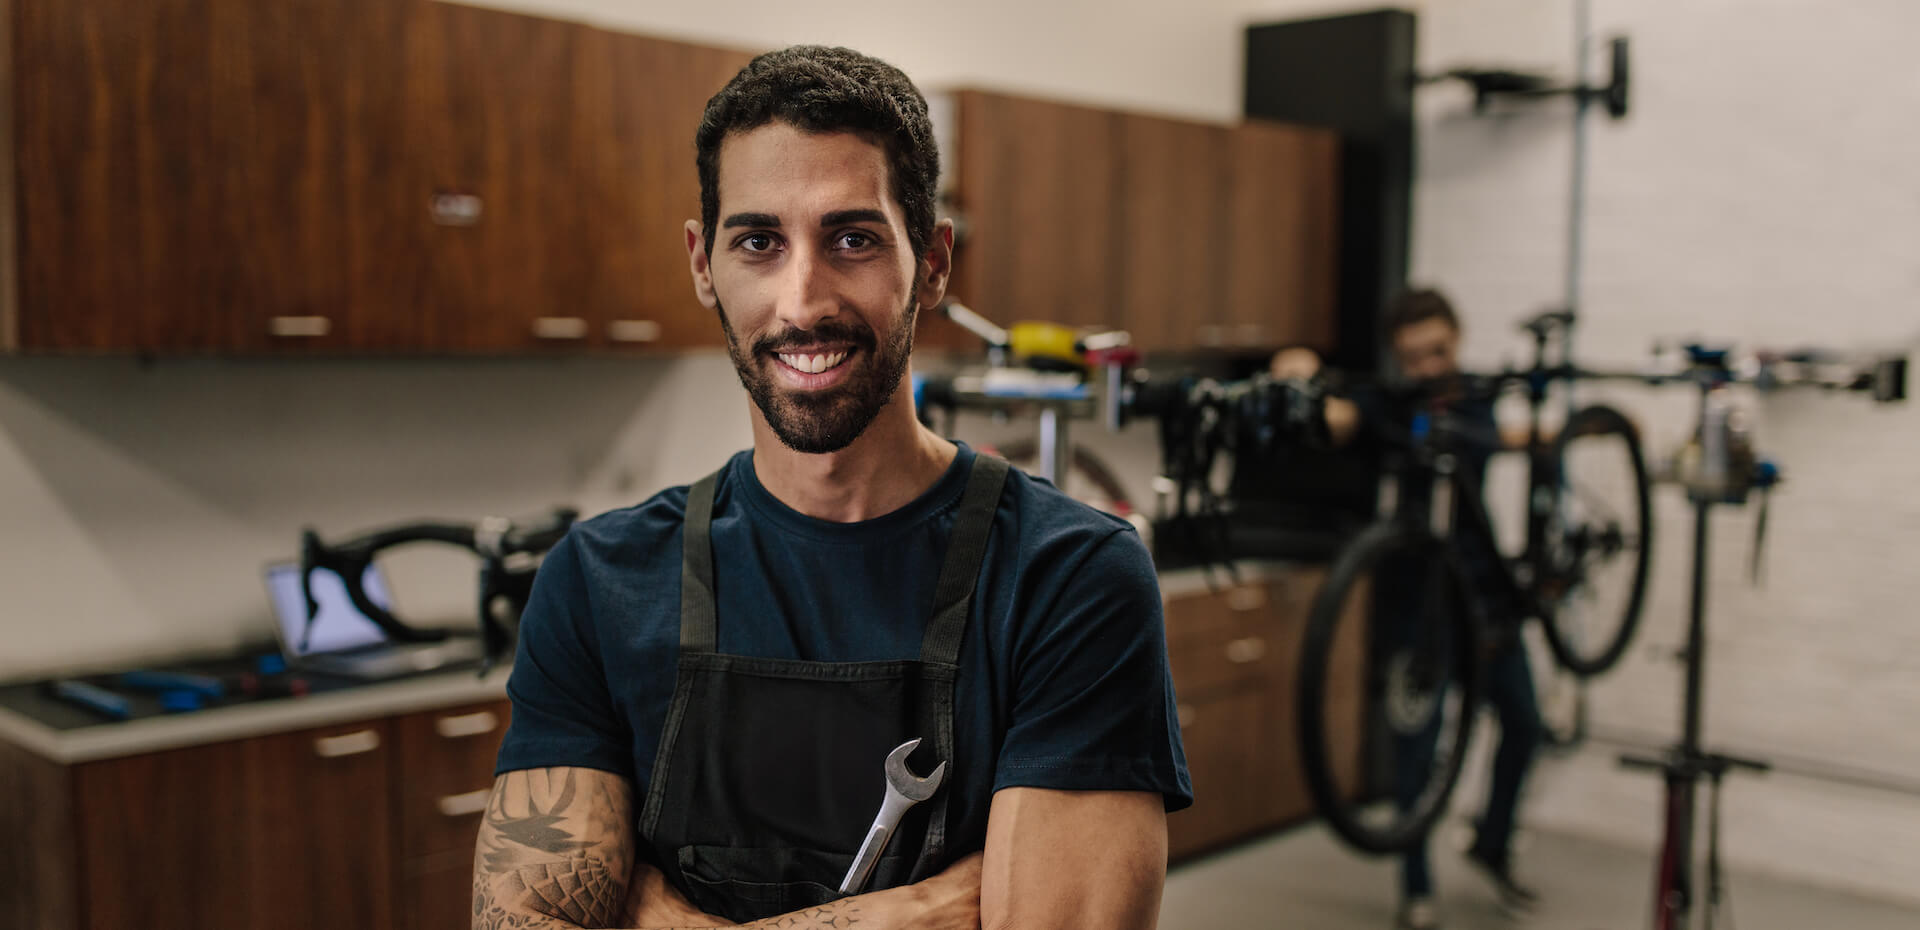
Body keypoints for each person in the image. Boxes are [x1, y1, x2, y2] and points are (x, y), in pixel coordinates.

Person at [470, 45, 1191, 930]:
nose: (802, 298)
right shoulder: (597, 581)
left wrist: (645, 912)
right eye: (759, 242)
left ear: (931, 261)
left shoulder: (1069, 580)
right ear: (703, 262)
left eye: (852, 239)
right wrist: (933, 908)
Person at [1271, 289, 1543, 930]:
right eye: (1413, 357)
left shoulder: (1476, 396)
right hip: (1416, 611)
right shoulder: (1381, 406)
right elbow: (1337, 417)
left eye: (1438, 351)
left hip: (1487, 600)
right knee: (1417, 757)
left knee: (1525, 725)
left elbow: (1508, 436)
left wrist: (1600, 426)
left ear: (1459, 338)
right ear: (1396, 357)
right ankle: (1417, 891)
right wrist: (1300, 376)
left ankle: (1492, 843)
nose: (1427, 368)